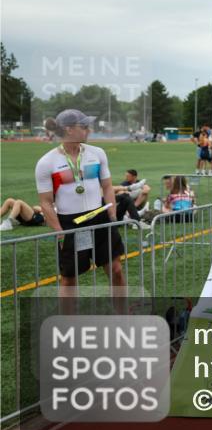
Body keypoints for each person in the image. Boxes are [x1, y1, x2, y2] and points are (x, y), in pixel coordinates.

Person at [34, 109, 125, 294]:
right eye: (84, 126)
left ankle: (123, 314)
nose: (89, 130)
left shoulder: (97, 153)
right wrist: (60, 232)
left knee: (116, 270)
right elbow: (45, 202)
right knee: (69, 279)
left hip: (100, 219)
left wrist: (112, 215)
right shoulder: (46, 162)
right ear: (69, 129)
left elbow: (107, 187)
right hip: (71, 223)